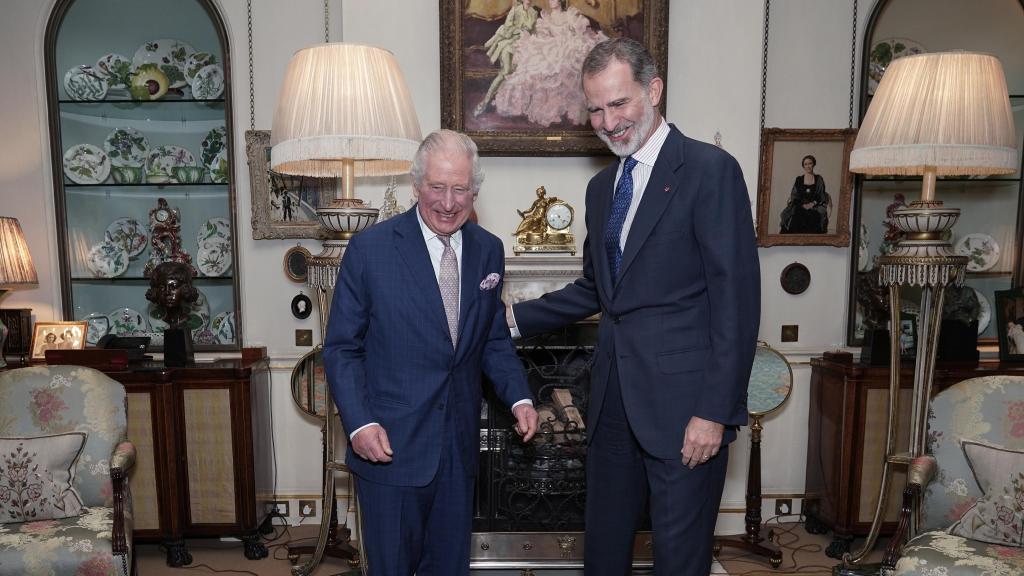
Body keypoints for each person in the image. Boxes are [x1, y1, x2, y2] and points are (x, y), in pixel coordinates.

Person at [506, 38, 760, 575]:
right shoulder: (602, 188)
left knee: (678, 560)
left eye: (619, 104)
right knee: (603, 553)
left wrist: (714, 412)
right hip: (611, 405)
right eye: (595, 109)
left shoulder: (710, 171)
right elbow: (598, 292)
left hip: (686, 410)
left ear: (653, 90)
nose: (607, 121)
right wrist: (508, 318)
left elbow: (736, 302)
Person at [323, 129, 540, 576]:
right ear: (416, 185)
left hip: (458, 450)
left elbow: (492, 337)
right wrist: (360, 423)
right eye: (437, 188)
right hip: (389, 446)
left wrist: (519, 397)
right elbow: (343, 348)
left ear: (474, 190)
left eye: (459, 189)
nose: (448, 201)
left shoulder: (489, 251)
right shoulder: (370, 250)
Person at [493, 0, 608, 127]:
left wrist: (572, 39)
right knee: (535, 66)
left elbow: (580, 32)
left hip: (568, 45)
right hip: (552, 46)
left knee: (565, 63)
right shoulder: (546, 18)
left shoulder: (569, 15)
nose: (551, 1)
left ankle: (561, 106)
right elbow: (543, 35)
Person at [475, 0, 539, 117]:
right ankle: (485, 103)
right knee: (505, 72)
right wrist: (520, 31)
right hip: (509, 44)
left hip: (524, 45)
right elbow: (507, 27)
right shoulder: (515, 10)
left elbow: (533, 31)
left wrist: (531, 38)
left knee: (524, 72)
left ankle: (511, 104)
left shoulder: (533, 13)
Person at [779, 155, 830, 234]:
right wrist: (802, 205)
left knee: (814, 216)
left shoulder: (819, 179)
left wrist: (812, 204)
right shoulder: (799, 179)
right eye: (805, 164)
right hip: (800, 205)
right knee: (796, 215)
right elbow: (794, 196)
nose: (808, 166)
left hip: (815, 206)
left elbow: (821, 195)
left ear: (813, 164)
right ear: (803, 166)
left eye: (810, 163)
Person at [145, 260, 198, 330]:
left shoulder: (191, 320)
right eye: (162, 288)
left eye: (173, 287)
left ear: (185, 289)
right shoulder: (158, 322)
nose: (167, 292)